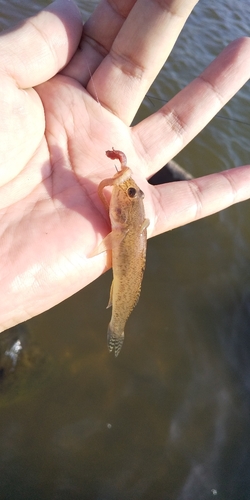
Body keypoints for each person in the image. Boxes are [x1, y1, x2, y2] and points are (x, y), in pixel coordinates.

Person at [0, 0, 249, 332]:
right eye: (132, 193)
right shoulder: (125, 215)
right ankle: (117, 324)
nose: (126, 190)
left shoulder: (126, 223)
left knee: (122, 295)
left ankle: (117, 323)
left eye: (131, 194)